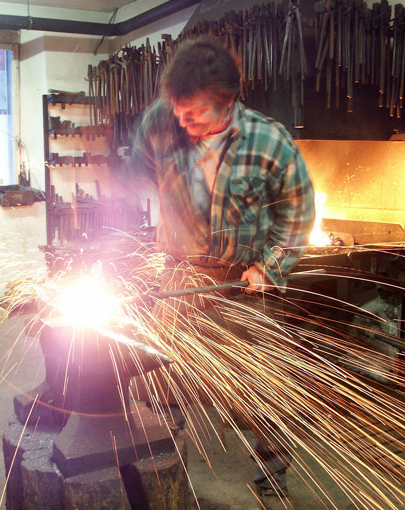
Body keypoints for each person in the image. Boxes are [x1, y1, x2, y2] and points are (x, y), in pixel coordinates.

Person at [125, 36, 316, 506]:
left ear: (229, 101)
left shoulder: (269, 141)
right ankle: (164, 471)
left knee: (258, 387)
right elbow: (139, 172)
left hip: (239, 285)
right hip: (177, 279)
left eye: (195, 113)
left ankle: (271, 477)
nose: (182, 121)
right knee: (165, 381)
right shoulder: (159, 122)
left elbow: (299, 210)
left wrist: (269, 268)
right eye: (177, 109)